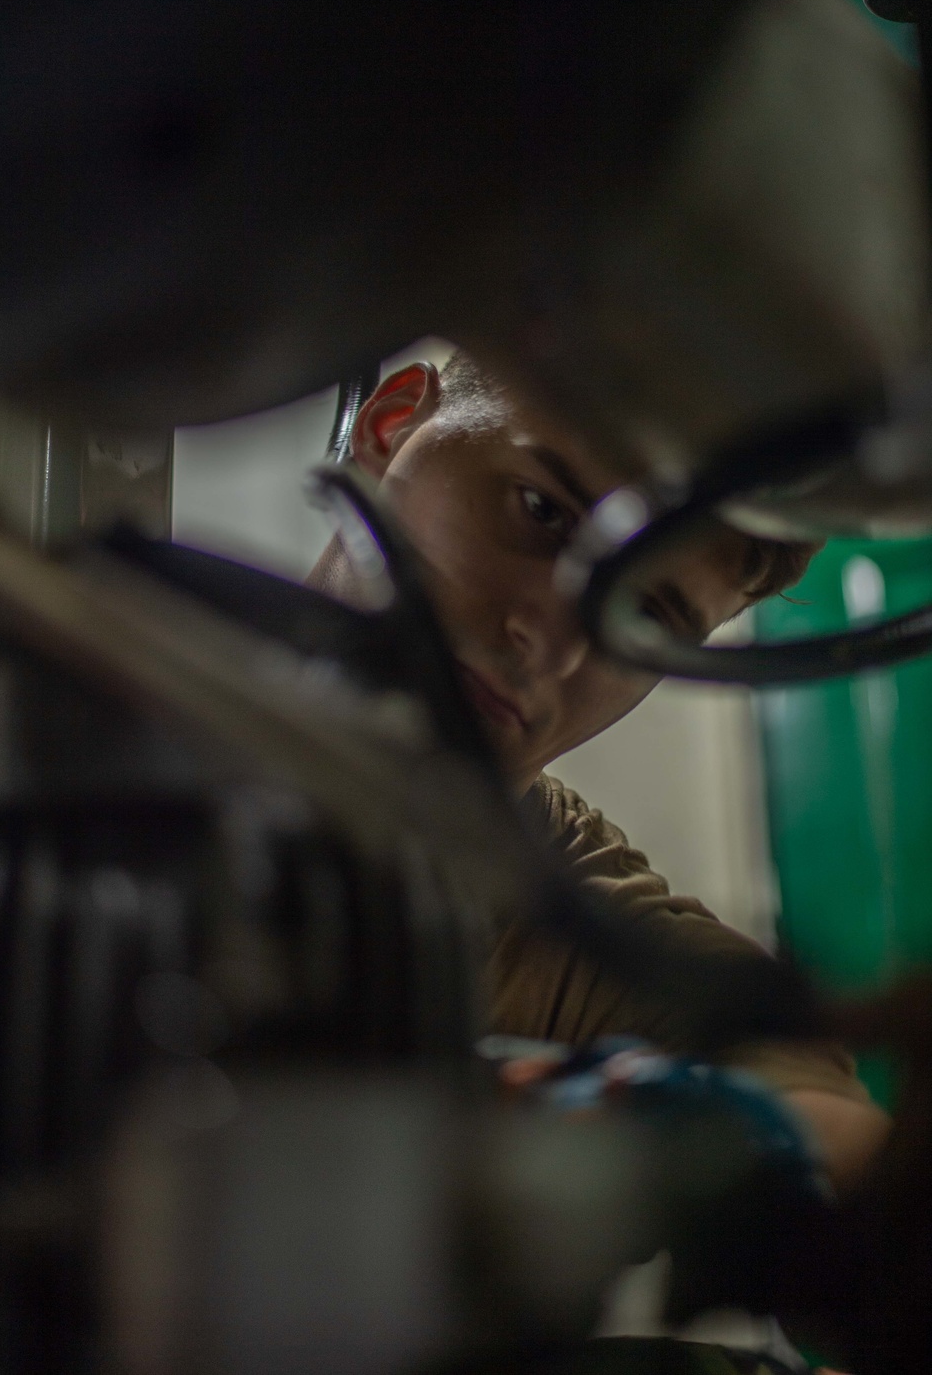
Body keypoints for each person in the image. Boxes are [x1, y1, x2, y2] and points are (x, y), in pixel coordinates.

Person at [307, 350, 891, 1192]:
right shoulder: (86, 683)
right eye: (544, 512)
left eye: (648, 611)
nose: (558, 642)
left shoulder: (566, 919)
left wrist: (739, 1143)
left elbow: (811, 1111)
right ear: (389, 427)